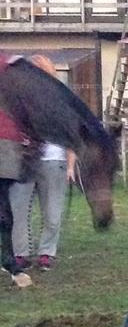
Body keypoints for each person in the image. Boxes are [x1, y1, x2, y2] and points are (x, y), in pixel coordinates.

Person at [9, 55, 75, 273]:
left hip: (53, 161)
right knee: (17, 210)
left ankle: (47, 252)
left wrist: (70, 166)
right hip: (23, 161)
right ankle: (20, 254)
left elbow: (70, 134)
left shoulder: (59, 99)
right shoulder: (16, 98)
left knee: (52, 212)